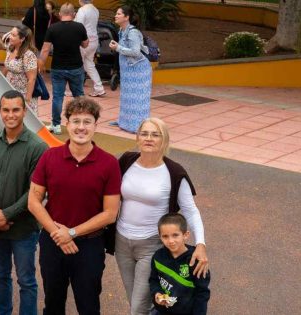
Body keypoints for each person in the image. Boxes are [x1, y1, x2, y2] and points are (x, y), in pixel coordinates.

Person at [27, 97, 121, 315]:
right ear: (66, 124)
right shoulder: (50, 157)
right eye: (76, 121)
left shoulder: (109, 163)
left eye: (87, 122)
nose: (81, 127)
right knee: (53, 303)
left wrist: (71, 233)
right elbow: (33, 201)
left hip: (89, 246)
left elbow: (110, 213)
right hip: (53, 242)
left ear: (96, 125)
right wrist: (58, 233)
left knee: (88, 306)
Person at [116, 117, 209, 315]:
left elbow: (191, 210)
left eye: (155, 134)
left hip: (151, 244)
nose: (149, 138)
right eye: (144, 133)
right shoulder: (126, 161)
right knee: (135, 297)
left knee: (139, 306)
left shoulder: (173, 172)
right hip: (122, 241)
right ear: (137, 137)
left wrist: (200, 243)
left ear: (164, 140)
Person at [0, 90, 47, 315]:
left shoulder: (37, 147)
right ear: (0, 111)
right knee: (0, 275)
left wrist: (6, 215)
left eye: (16, 109)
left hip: (24, 229)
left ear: (25, 111)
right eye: (5, 110)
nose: (10, 115)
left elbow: (35, 192)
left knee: (26, 280)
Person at [37, 3, 88, 135]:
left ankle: (56, 125)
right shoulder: (79, 27)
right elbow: (85, 44)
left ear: (60, 14)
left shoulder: (53, 28)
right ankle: (80, 122)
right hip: (76, 67)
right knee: (79, 96)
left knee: (58, 97)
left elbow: (45, 49)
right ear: (74, 15)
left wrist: (40, 64)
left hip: (58, 67)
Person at [149, 213, 211, 315]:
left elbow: (202, 293)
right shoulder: (158, 257)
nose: (171, 241)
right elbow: (153, 280)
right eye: (165, 236)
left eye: (175, 235)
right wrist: (157, 293)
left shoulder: (196, 261)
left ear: (185, 235)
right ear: (160, 237)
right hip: (161, 311)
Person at [109, 6, 152, 133]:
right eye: (116, 13)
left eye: (118, 14)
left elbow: (135, 52)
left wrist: (117, 48)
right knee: (127, 96)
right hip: (129, 70)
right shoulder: (122, 30)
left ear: (126, 17)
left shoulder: (132, 32)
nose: (116, 16)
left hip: (138, 70)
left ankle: (137, 126)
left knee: (138, 98)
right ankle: (125, 121)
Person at [3, 25, 39, 115]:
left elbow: (32, 79)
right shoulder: (10, 49)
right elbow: (7, 67)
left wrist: (27, 99)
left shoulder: (28, 55)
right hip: (10, 92)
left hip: (23, 94)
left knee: (24, 121)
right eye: (10, 33)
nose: (10, 37)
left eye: (13, 35)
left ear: (22, 39)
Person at [75, 0, 105, 97]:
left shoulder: (82, 10)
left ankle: (75, 89)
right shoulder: (95, 10)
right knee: (89, 65)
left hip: (83, 41)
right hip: (94, 40)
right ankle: (99, 88)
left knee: (78, 65)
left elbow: (78, 27)